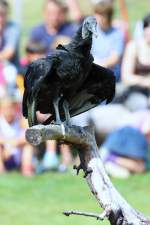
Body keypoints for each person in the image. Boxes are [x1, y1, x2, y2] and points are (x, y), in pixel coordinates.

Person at [0, 96, 34, 176]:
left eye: (11, 108)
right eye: (5, 109)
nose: (8, 112)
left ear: (15, 109)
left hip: (19, 155)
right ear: (1, 110)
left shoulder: (21, 121)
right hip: (4, 155)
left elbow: (30, 136)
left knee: (28, 146)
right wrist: (8, 144)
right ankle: (1, 170)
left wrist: (14, 144)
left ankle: (26, 170)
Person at [91, 1, 125, 81]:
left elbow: (114, 59)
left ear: (108, 17)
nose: (98, 18)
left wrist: (96, 65)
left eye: (101, 15)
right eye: (97, 14)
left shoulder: (117, 35)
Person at [121, 14, 150, 106]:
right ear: (145, 29)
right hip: (136, 91)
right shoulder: (133, 46)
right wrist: (145, 81)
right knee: (143, 104)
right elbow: (126, 77)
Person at [0, 0, 20, 67]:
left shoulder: (13, 28)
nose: (1, 18)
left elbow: (9, 53)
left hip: (11, 67)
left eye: (2, 14)